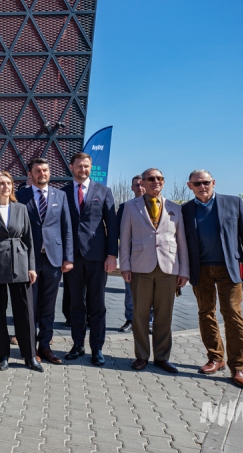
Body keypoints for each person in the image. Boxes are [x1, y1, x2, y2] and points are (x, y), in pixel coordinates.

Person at [182, 170, 243, 388]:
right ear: (190, 186)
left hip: (230, 269)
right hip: (201, 270)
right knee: (205, 313)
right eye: (197, 183)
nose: (202, 186)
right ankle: (216, 358)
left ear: (213, 183)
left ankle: (239, 367)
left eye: (206, 182)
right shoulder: (186, 210)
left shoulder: (233, 203)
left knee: (232, 315)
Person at [120, 168, 189, 374]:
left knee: (164, 316)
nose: (155, 182)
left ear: (164, 182)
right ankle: (141, 356)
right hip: (140, 267)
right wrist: (125, 266)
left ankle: (162, 357)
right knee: (139, 315)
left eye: (159, 179)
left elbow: (182, 242)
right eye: (151, 179)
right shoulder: (130, 207)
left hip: (168, 268)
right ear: (143, 182)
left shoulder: (175, 208)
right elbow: (125, 240)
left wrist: (183, 270)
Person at [0, 171, 41, 372]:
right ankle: (3, 354)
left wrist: (31, 266)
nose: (6, 187)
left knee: (25, 312)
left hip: (19, 262)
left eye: (9, 183)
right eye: (1, 184)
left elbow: (29, 239)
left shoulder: (21, 208)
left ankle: (29, 355)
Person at [61, 152, 118, 366]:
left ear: (90, 167)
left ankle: (97, 348)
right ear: (71, 166)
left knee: (97, 305)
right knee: (76, 304)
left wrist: (112, 255)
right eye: (79, 166)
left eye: (86, 166)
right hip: (71, 258)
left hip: (97, 257)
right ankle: (77, 345)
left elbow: (111, 226)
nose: (83, 170)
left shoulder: (104, 192)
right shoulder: (62, 193)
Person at [16, 158, 73, 365]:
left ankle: (45, 346)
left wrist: (68, 257)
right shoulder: (20, 196)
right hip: (28, 260)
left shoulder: (60, 196)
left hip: (53, 259)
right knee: (29, 306)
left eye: (46, 170)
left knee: (48, 306)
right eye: (38, 170)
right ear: (30, 174)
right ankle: (30, 349)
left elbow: (67, 228)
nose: (43, 174)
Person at [117, 174, 145, 333]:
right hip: (132, 256)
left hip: (152, 256)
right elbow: (120, 232)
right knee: (130, 291)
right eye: (136, 185)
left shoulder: (159, 205)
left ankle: (149, 321)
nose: (140, 188)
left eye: (142, 184)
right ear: (131, 188)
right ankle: (130, 319)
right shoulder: (124, 207)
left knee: (152, 292)